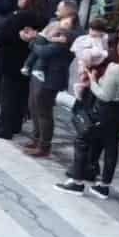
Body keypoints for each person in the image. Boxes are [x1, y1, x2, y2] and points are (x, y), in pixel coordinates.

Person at [56, 36, 119, 199]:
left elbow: (104, 95)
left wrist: (92, 78)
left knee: (83, 139)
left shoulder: (115, 69)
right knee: (112, 146)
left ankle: (77, 182)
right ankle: (104, 186)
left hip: (108, 110)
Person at [0, 0, 47, 140]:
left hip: (11, 58)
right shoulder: (42, 17)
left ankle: (3, 128)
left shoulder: (20, 16)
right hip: (27, 60)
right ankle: (15, 123)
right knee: (20, 94)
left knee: (8, 95)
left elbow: (3, 35)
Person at [22, 13, 77, 158]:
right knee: (34, 107)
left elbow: (43, 52)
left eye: (65, 24)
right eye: (61, 23)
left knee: (44, 112)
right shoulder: (56, 35)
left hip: (51, 79)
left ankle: (44, 146)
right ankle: (36, 139)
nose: (61, 26)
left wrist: (34, 41)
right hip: (42, 75)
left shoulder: (65, 39)